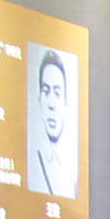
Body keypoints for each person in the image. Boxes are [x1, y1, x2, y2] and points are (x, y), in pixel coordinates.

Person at [30, 49, 78, 199]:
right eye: (46, 92)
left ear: (65, 103)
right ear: (39, 100)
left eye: (57, 94)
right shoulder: (33, 162)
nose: (51, 104)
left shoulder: (72, 171)